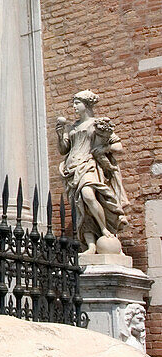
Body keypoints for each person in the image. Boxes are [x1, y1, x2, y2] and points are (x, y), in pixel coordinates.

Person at [56, 90, 129, 252]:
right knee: (81, 207)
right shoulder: (72, 127)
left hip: (89, 165)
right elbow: (63, 150)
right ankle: (91, 245)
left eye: (77, 103)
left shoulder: (98, 125)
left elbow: (119, 147)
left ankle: (105, 229)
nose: (74, 106)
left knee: (88, 195)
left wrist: (103, 149)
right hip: (71, 169)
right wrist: (61, 134)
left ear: (87, 104)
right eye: (74, 103)